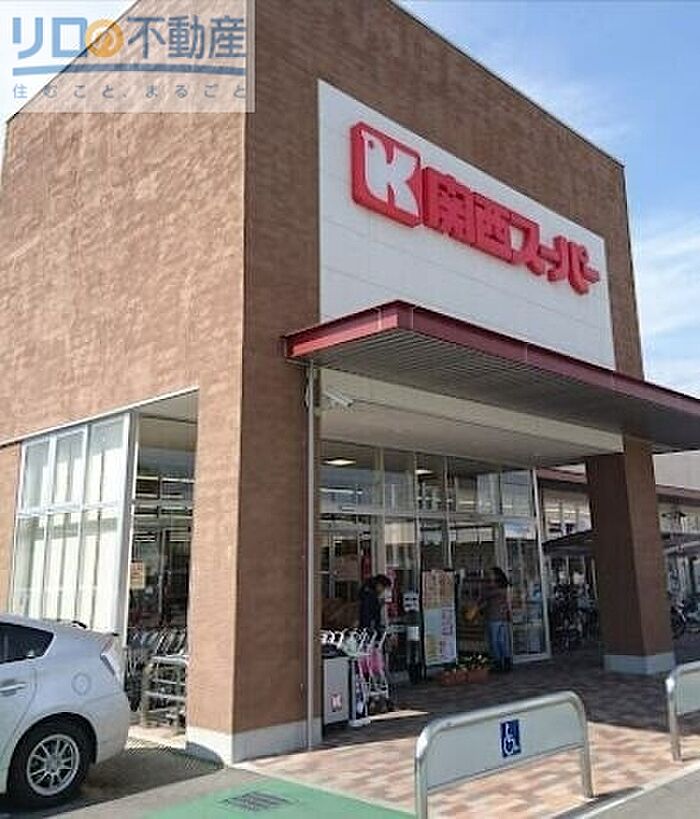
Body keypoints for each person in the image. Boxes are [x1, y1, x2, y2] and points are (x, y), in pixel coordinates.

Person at [480, 566, 512, 672]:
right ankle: (506, 661)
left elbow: (485, 596)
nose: (489, 575)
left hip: (494, 616)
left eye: (491, 573)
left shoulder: (494, 587)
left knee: (494, 641)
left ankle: (498, 662)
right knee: (502, 640)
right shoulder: (504, 586)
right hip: (502, 616)